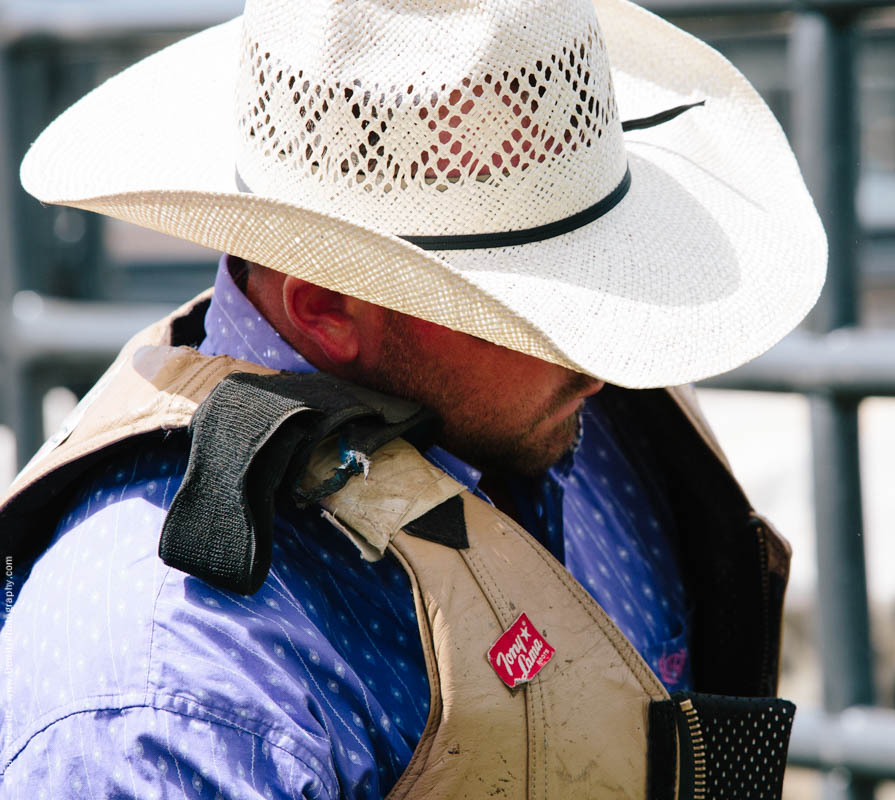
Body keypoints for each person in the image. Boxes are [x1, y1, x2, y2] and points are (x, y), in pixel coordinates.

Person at [0, 0, 826, 797]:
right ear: (326, 307)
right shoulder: (175, 697)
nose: (600, 361)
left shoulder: (576, 414)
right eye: (536, 308)